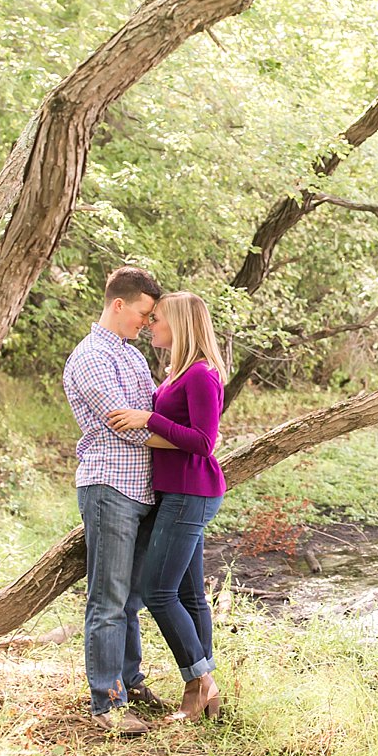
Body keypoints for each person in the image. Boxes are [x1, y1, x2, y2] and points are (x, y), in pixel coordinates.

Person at [62, 265, 176, 735]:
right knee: (107, 599)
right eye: (144, 314)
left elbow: (153, 410)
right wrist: (187, 441)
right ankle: (106, 704)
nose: (147, 324)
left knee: (131, 598)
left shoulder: (129, 356)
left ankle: (131, 682)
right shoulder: (90, 357)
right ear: (118, 305)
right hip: (109, 485)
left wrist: (175, 430)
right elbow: (126, 427)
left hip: (141, 488)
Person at [106, 291, 228, 722]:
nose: (151, 325)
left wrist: (147, 419)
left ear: (179, 323)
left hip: (190, 493)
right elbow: (174, 438)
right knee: (192, 594)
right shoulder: (178, 372)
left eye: (157, 319)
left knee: (159, 591)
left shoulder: (201, 375)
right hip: (177, 491)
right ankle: (199, 695)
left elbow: (203, 441)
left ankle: (202, 679)